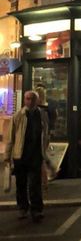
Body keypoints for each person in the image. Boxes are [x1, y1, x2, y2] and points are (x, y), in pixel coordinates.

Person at [4, 90, 54, 221]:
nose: (29, 101)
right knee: (21, 184)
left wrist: (44, 150)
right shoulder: (18, 116)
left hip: (35, 155)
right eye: (27, 99)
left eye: (32, 99)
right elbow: (10, 138)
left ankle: (36, 209)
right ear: (24, 100)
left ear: (37, 100)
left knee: (34, 184)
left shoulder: (42, 115)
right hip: (20, 155)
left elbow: (46, 133)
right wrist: (7, 156)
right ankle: (22, 208)